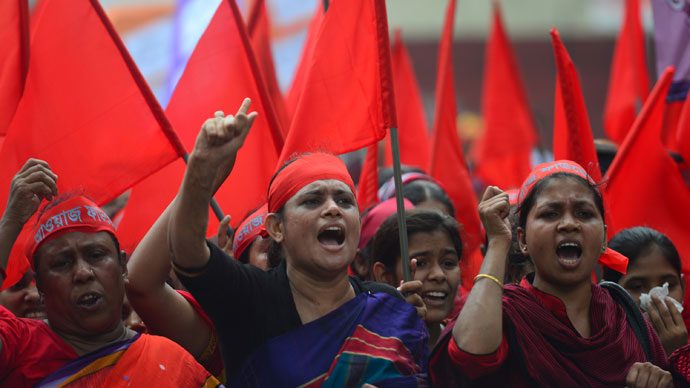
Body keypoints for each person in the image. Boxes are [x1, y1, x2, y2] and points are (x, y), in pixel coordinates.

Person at [166, 99, 428, 386]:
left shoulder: (388, 305)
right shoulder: (248, 295)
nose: (332, 209)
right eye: (313, 200)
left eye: (344, 201)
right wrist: (201, 174)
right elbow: (187, 252)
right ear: (277, 228)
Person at [430, 160, 671, 387]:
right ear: (522, 239)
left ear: (604, 238)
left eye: (584, 214)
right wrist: (497, 243)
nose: (569, 224)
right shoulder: (505, 314)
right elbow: (470, 356)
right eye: (551, 214)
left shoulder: (627, 317)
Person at [0, 159, 222, 387]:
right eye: (62, 263)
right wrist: (10, 222)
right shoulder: (17, 346)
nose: (83, 273)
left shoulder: (174, 363)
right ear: (41, 288)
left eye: (96, 255)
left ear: (123, 268)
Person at [371, 209, 462, 348]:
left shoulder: (466, 345)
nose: (439, 275)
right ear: (383, 276)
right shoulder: (367, 349)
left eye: (448, 263)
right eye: (420, 263)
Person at [604, 227, 688, 356]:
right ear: (609, 293)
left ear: (683, 286)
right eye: (637, 286)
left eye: (669, 285)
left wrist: (679, 353)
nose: (655, 298)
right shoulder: (597, 353)